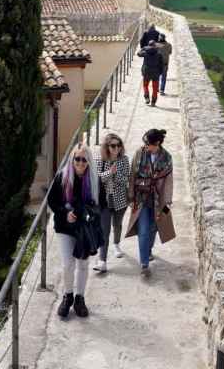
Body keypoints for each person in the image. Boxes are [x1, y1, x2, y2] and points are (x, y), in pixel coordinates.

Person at [47, 145, 100, 318]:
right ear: (72, 159)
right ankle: (67, 296)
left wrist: (89, 212)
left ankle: (80, 298)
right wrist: (65, 213)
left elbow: (101, 204)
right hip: (64, 226)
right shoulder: (62, 177)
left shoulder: (93, 180)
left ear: (89, 161)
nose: (80, 163)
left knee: (83, 264)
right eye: (77, 158)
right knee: (67, 264)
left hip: (84, 229)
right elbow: (52, 201)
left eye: (84, 159)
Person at [127, 128, 173, 276]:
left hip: (158, 201)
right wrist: (131, 196)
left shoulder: (167, 158)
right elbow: (133, 174)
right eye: (145, 143)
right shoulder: (140, 153)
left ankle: (148, 250)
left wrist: (166, 204)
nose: (146, 146)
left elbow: (168, 181)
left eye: (149, 144)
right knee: (144, 230)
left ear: (157, 143)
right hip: (141, 198)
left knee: (154, 228)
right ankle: (144, 264)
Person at [94, 133, 131, 273]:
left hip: (120, 200)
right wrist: (110, 172)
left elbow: (125, 179)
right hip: (104, 201)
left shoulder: (124, 160)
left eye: (118, 145)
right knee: (104, 230)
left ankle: (116, 244)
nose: (116, 148)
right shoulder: (99, 159)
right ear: (107, 147)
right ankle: (102, 261)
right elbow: (97, 179)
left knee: (117, 224)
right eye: (113, 146)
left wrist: (115, 174)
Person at [137, 40, 164, 106]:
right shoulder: (159, 54)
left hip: (146, 72)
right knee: (155, 88)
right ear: (155, 46)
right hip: (155, 73)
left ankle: (147, 98)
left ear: (148, 45)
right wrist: (160, 72)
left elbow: (138, 53)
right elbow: (161, 65)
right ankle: (153, 102)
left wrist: (144, 48)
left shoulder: (145, 52)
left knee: (145, 85)